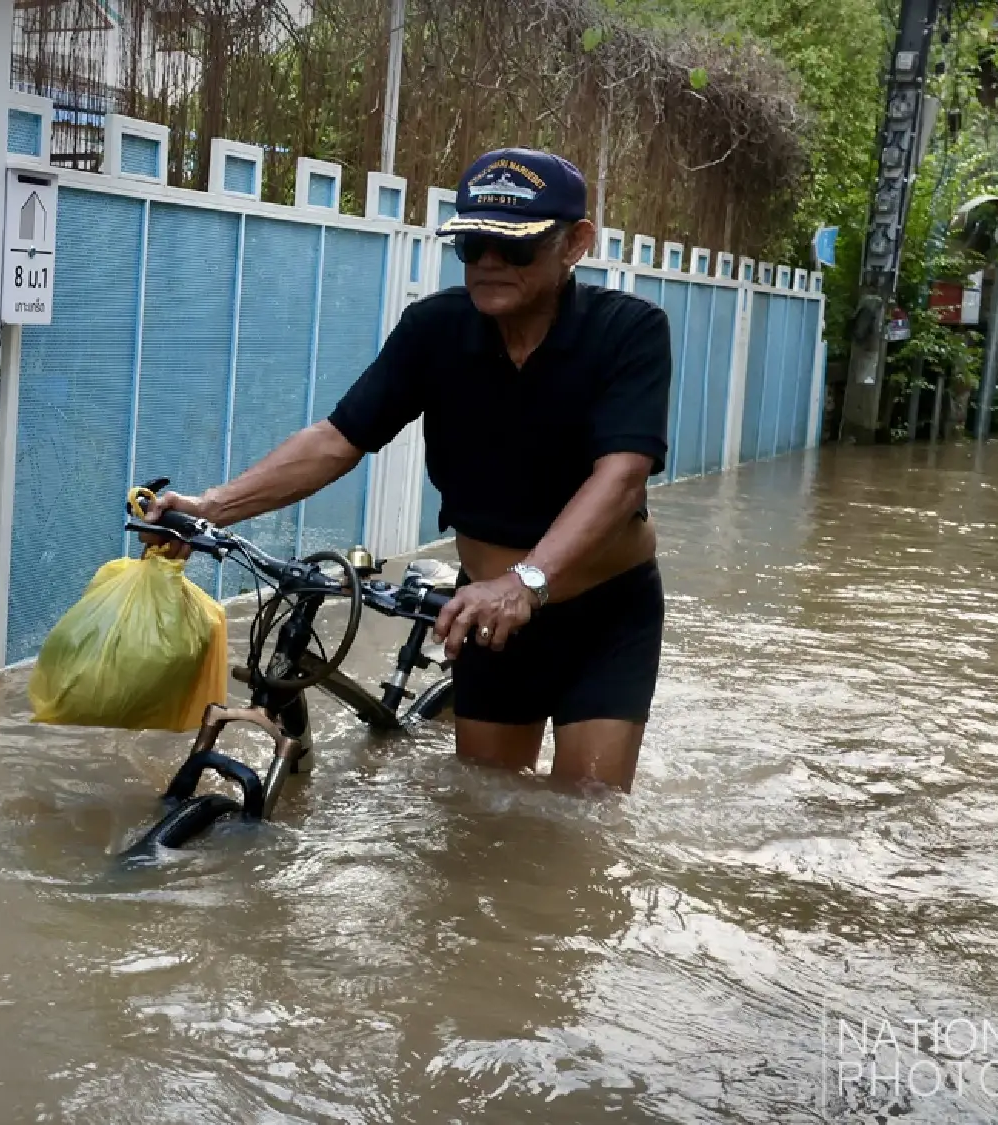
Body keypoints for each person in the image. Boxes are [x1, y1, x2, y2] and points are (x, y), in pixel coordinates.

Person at [145, 147, 672, 793]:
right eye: (472, 243)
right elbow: (339, 438)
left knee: (581, 820)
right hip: (484, 613)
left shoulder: (629, 331)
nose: (488, 262)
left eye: (516, 247)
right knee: (487, 814)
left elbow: (621, 478)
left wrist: (526, 580)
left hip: (602, 615)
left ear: (575, 244)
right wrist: (211, 507)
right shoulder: (436, 330)